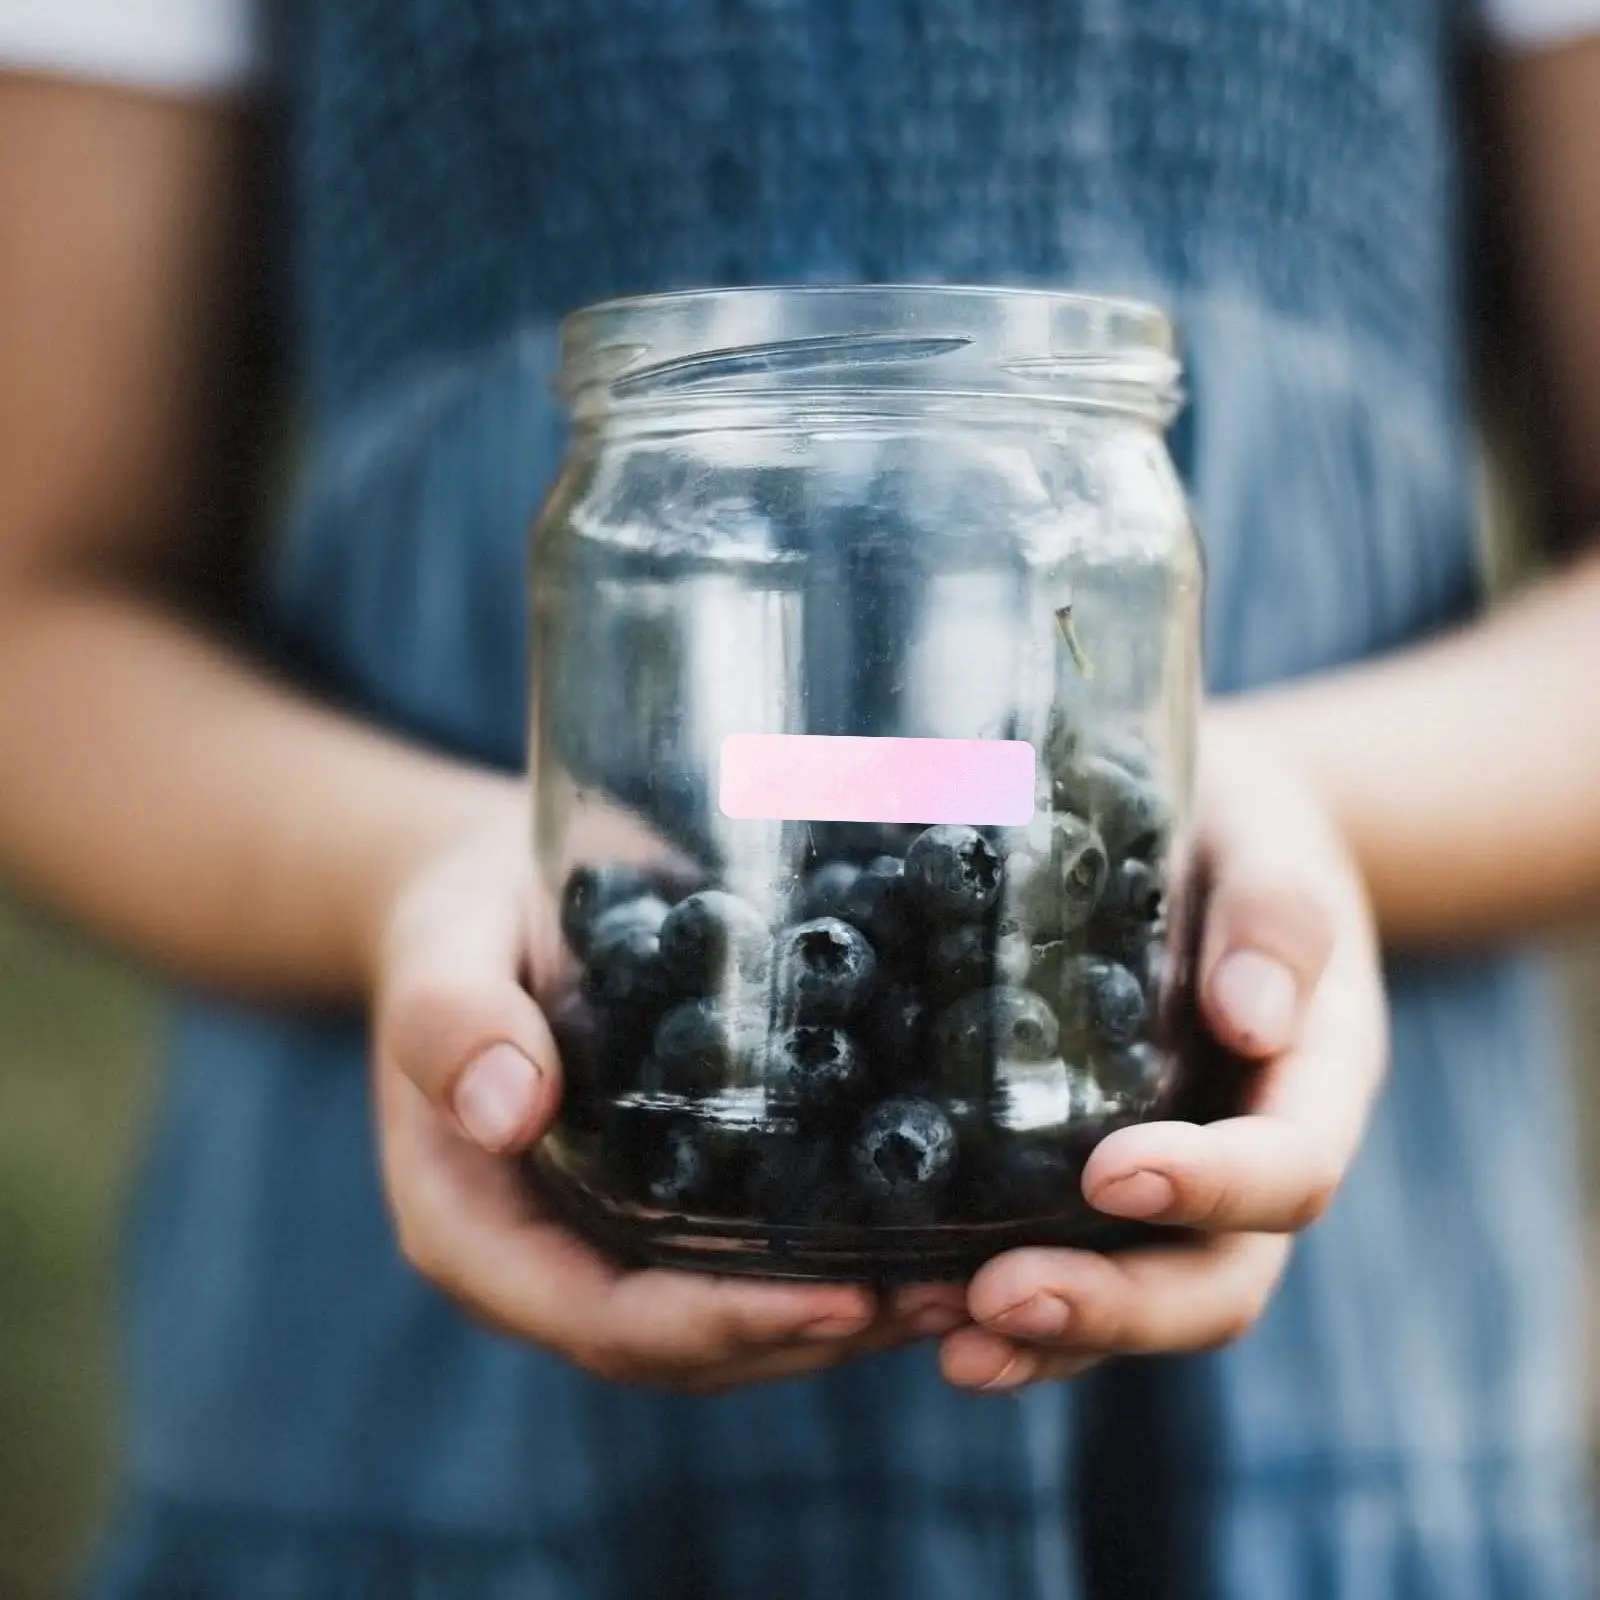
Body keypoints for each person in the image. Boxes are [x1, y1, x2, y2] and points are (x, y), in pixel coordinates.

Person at [0, 1, 1595, 1595]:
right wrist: (412, 873)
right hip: (421, 1434)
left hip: (1330, 1406)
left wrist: (1241, 806)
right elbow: (36, 622)